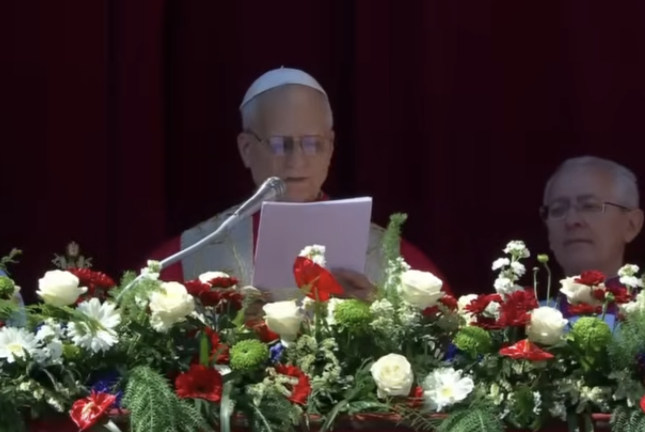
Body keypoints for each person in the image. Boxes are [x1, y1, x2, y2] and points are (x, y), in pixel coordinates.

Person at [147, 67, 451, 299]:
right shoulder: (186, 257)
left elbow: (443, 353)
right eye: (280, 144)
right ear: (247, 149)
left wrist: (381, 310)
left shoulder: (397, 260)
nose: (296, 161)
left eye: (312, 143)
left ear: (331, 147)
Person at [540, 156, 644, 326]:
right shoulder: (517, 329)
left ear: (631, 225)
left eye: (589, 206)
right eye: (558, 209)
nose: (572, 220)